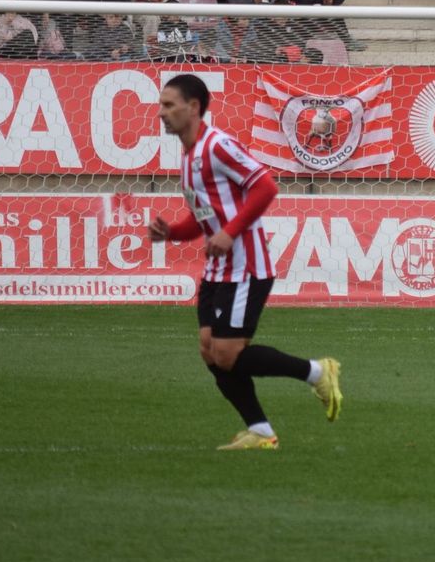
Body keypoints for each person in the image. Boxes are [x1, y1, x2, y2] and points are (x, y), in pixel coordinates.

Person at [147, 75, 343, 450]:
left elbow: (266, 186)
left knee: (226, 352)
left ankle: (318, 372)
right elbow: (203, 218)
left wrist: (231, 232)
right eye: (160, 105)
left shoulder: (218, 146)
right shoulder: (188, 158)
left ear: (194, 108)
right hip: (218, 268)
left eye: (169, 105)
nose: (161, 113)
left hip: (247, 266)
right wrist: (171, 231)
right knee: (209, 349)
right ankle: (261, 432)